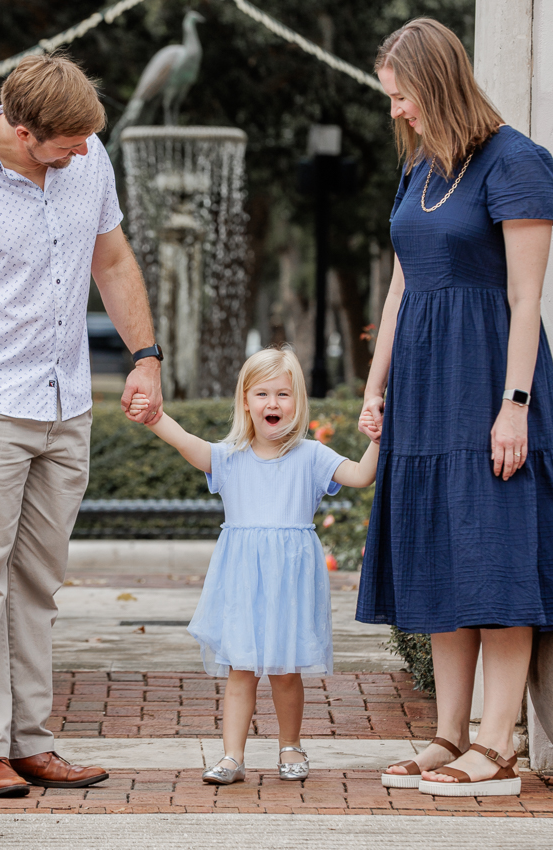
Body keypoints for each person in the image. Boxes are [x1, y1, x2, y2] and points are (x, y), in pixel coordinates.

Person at [357, 17, 553, 798]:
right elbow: (403, 283)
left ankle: (497, 744)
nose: (396, 111)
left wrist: (513, 405)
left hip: (487, 378)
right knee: (441, 550)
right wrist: (376, 385)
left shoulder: (516, 161)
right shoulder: (422, 167)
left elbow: (523, 293)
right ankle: (448, 734)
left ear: (434, 85)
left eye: (401, 97)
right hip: (423, 384)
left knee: (494, 553)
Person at [0, 54, 163, 798]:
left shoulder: (89, 161)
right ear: (24, 134)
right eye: (68, 142)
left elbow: (113, 259)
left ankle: (29, 741)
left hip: (66, 407)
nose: (86, 150)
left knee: (35, 584)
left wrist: (146, 358)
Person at [129, 347, 379, 784]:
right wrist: (154, 417)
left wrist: (379, 438)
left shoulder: (312, 456)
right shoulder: (229, 457)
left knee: (285, 671)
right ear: (245, 400)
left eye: (283, 394)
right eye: (261, 393)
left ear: (297, 402)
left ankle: (290, 745)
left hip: (291, 581)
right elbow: (186, 441)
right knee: (240, 669)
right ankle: (232, 756)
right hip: (243, 580)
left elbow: (360, 476)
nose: (273, 404)